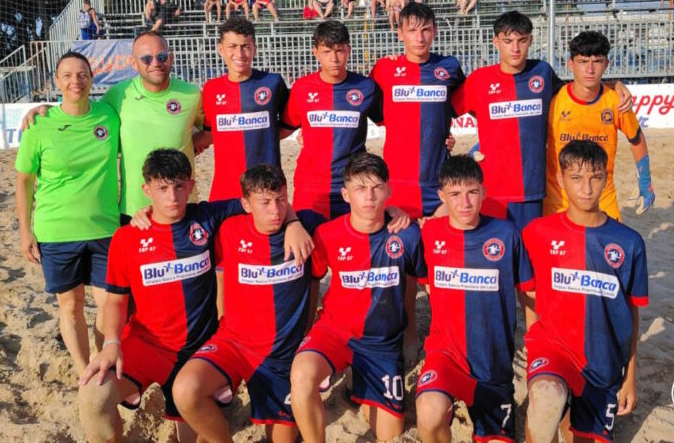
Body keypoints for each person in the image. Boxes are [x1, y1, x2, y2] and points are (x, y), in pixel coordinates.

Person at [76, 149, 313, 443]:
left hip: (199, 349)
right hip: (147, 345)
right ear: (146, 190)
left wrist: (292, 222)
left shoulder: (208, 218)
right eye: (162, 189)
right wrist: (111, 342)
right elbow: (115, 300)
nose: (172, 197)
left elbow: (265, 202)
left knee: (194, 433)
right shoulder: (127, 238)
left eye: (178, 186)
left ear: (190, 185)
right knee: (93, 396)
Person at [172, 164, 323, 443]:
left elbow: (360, 224)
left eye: (280, 200)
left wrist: (294, 222)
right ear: (245, 204)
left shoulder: (308, 227)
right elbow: (178, 222)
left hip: (282, 353)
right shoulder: (228, 230)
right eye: (264, 203)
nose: (275, 210)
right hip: (234, 343)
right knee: (185, 389)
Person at [451, 11, 633, 231]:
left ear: (531, 40)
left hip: (533, 189)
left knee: (530, 257)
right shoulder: (480, 79)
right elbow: (445, 109)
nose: (515, 48)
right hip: (491, 190)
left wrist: (615, 84)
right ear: (496, 42)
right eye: (508, 41)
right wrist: (447, 139)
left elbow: (576, 89)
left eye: (522, 40)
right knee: (498, 256)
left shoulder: (542, 72)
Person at [290, 152, 426, 443]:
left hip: (382, 343)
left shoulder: (407, 235)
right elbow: (313, 278)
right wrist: (306, 329)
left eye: (376, 187)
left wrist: (411, 332)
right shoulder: (327, 235)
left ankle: (357, 382)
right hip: (335, 333)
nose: (369, 196)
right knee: (301, 376)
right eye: (360, 188)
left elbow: (420, 281)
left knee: (391, 434)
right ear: (346, 194)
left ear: (389, 191)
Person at [522, 140, 648, 443]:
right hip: (554, 350)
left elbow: (632, 312)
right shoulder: (538, 232)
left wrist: (630, 377)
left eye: (595, 177)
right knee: (545, 399)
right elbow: (527, 292)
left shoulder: (629, 242)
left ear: (606, 178)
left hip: (603, 360)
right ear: (562, 180)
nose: (587, 188)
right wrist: (534, 346)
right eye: (576, 178)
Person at [24, 31, 206, 224]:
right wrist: (50, 111)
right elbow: (85, 114)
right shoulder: (119, 94)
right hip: (134, 210)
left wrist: (189, 144)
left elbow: (212, 132)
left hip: (181, 204)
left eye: (161, 56)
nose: (155, 63)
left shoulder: (192, 94)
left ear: (171, 58)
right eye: (146, 58)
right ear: (134, 63)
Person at [415, 155, 535, 443]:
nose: (464, 203)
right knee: (429, 413)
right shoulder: (428, 235)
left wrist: (535, 346)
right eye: (455, 194)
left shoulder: (507, 234)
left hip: (493, 363)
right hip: (446, 356)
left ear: (483, 191)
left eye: (471, 192)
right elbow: (427, 285)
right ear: (442, 196)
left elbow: (527, 294)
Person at [15, 52, 119, 376]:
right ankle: (83, 371)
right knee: (70, 306)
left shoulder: (109, 116)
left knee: (108, 305)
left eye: (82, 74)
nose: (76, 81)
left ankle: (103, 365)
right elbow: (24, 180)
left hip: (105, 229)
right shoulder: (39, 124)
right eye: (68, 75)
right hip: (56, 231)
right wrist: (25, 231)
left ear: (92, 78)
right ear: (57, 82)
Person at [544, 31, 655, 221]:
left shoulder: (616, 102)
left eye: (597, 61)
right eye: (583, 61)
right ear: (570, 64)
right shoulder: (553, 101)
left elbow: (636, 139)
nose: (590, 69)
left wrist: (645, 181)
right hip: (559, 199)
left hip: (602, 197)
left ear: (606, 64)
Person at [370, 2, 465, 220]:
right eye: (412, 31)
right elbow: (361, 107)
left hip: (439, 179)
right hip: (397, 181)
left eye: (425, 30)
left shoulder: (450, 66)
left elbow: (463, 103)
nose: (419, 38)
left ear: (435, 31)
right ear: (400, 34)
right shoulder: (385, 68)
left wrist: (443, 132)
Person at [282, 20, 383, 220]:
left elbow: (396, 122)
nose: (334, 59)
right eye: (327, 51)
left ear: (349, 50)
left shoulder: (366, 87)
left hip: (353, 184)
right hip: (311, 187)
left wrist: (442, 136)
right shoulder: (302, 88)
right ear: (315, 52)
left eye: (339, 51)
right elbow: (283, 128)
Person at [197, 17, 290, 202]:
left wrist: (264, 136)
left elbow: (292, 121)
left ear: (254, 48)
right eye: (232, 46)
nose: (239, 53)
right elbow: (209, 133)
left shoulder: (272, 83)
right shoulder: (210, 89)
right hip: (225, 188)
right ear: (221, 49)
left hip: (267, 187)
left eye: (245, 46)